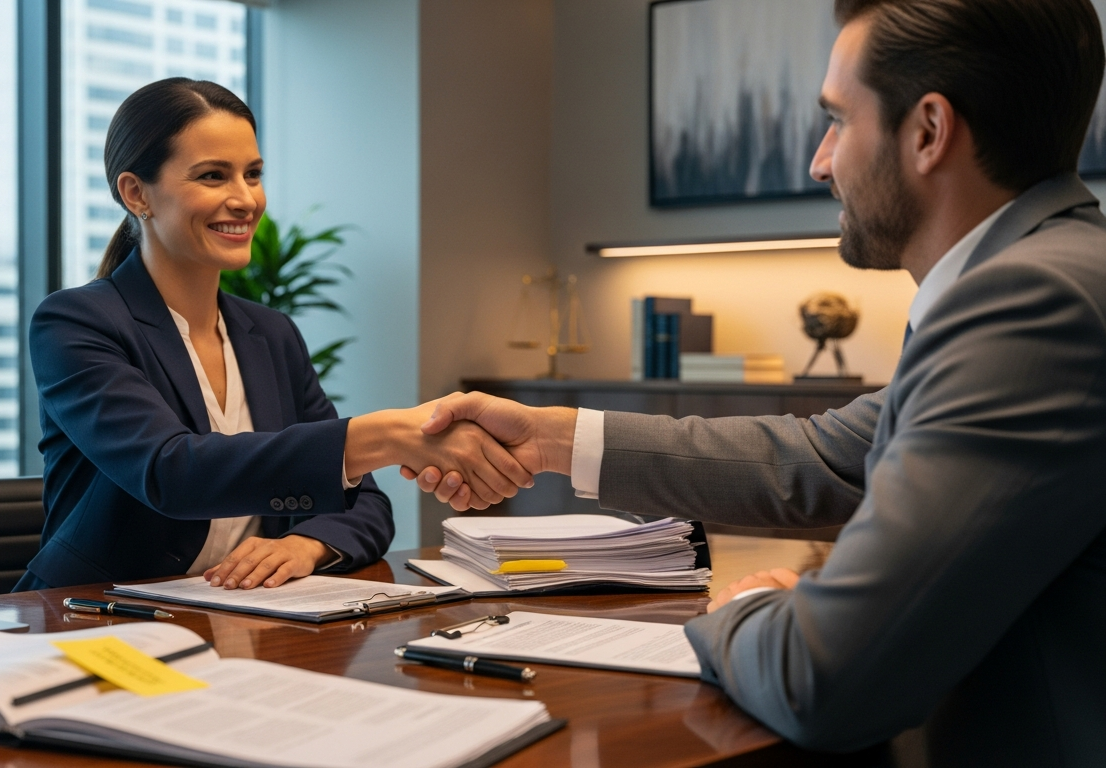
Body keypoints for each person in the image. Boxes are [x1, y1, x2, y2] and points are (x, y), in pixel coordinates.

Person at [407, 0, 1106, 763]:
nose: (819, 159)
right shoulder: (1056, 277)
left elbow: (824, 679)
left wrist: (752, 607)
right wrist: (549, 437)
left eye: (837, 119)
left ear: (928, 132)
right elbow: (825, 456)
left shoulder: (1030, 308)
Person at [19, 78, 530, 593]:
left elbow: (366, 502)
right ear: (136, 193)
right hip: (90, 619)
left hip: (237, 617)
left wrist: (302, 546)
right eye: (213, 176)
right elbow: (171, 473)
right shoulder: (76, 322)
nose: (245, 199)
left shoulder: (270, 333)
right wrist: (388, 434)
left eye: (253, 174)